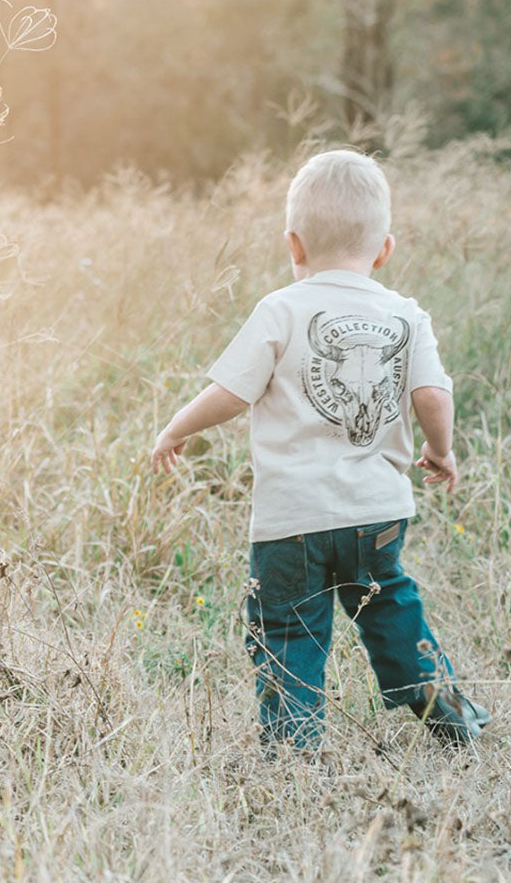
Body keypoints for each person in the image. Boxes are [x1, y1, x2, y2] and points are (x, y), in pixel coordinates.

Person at [150, 149, 490, 751]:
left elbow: (230, 394)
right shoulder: (406, 316)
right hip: (376, 513)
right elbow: (434, 394)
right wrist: (443, 451)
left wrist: (175, 429)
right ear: (385, 248)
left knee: (288, 626)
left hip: (291, 520)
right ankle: (447, 708)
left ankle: (294, 745)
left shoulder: (280, 309)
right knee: (390, 608)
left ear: (294, 245)